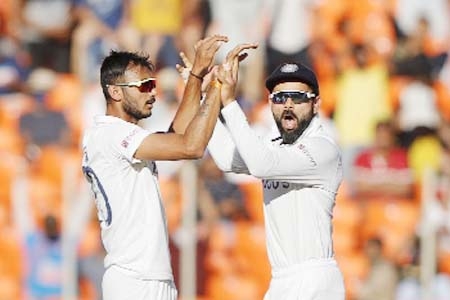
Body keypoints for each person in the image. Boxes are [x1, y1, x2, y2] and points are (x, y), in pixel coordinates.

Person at [81, 35, 256, 300]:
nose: (153, 92)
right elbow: (191, 147)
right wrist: (216, 87)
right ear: (115, 92)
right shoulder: (110, 134)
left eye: (153, 84)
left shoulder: (119, 135)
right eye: (144, 85)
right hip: (133, 280)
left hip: (151, 277)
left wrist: (196, 77)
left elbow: (179, 136)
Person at [207, 61, 346, 299]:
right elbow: (225, 158)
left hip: (313, 280)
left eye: (298, 97)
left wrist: (230, 103)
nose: (288, 104)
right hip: (282, 280)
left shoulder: (323, 150)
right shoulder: (273, 149)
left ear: (316, 104)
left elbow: (260, 164)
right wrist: (206, 97)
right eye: (279, 98)